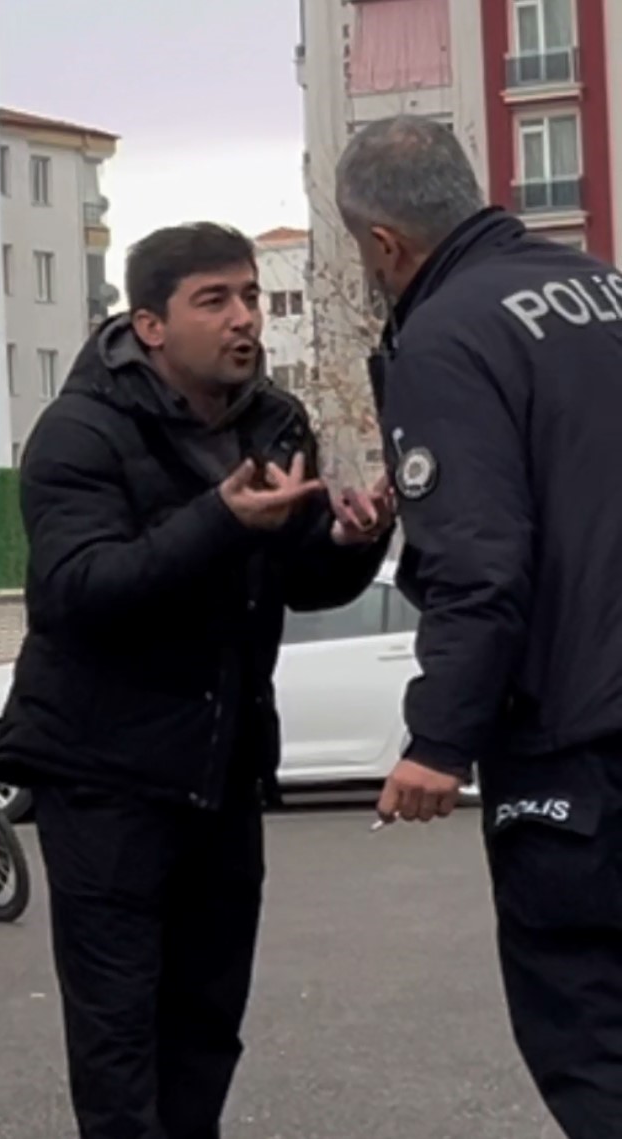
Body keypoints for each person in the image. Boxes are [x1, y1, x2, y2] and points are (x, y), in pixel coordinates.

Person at [0, 223, 395, 1139]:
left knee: (206, 1025)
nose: (243, 318)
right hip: (103, 778)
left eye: (249, 296)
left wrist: (345, 541)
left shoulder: (273, 420)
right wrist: (217, 518)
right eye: (213, 300)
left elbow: (292, 574)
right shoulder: (80, 431)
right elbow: (74, 592)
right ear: (150, 326)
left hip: (219, 774)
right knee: (118, 1037)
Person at [337, 115, 622, 1139]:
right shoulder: (603, 287)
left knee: (587, 1032)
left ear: (382, 245)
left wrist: (434, 738)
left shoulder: (446, 332)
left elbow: (482, 561)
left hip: (575, 741)